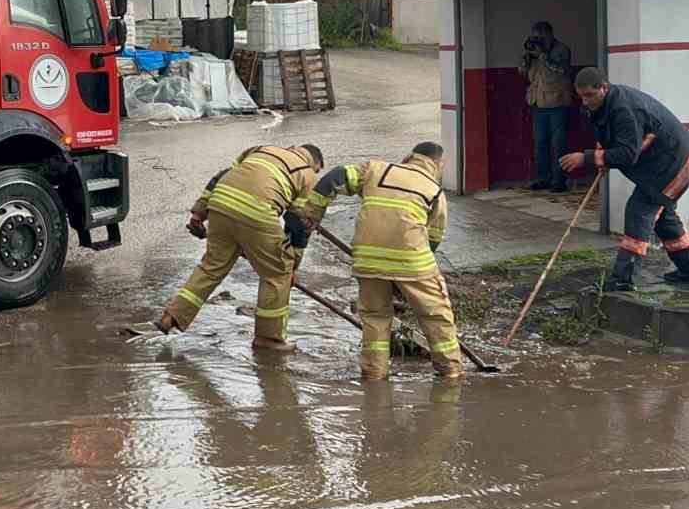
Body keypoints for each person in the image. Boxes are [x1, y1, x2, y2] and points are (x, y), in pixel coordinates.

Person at [302, 143, 461, 380]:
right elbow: (433, 241)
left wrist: (312, 212)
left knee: (375, 317)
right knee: (435, 315)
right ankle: (451, 372)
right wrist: (405, 277)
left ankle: (374, 374)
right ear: (438, 164)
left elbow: (334, 178)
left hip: (368, 260)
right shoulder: (435, 190)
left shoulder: (376, 169)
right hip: (412, 262)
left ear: (410, 157)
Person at [157, 144, 325, 352]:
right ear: (315, 163)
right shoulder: (308, 175)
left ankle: (171, 317)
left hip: (220, 203)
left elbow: (221, 176)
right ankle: (269, 339)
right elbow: (297, 221)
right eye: (317, 170)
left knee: (211, 267)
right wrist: (293, 265)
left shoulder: (261, 149)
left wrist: (199, 212)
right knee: (277, 274)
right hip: (258, 211)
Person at [560, 68, 689, 292]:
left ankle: (623, 278)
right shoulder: (606, 105)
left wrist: (588, 158)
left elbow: (628, 154)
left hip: (675, 161)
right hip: (669, 159)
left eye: (590, 95)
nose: (586, 101)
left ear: (604, 88)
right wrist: (603, 157)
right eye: (581, 96)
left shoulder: (624, 109)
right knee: (664, 217)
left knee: (639, 211)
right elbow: (613, 137)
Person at [520, 21, 574, 192]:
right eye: (534, 37)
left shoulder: (561, 50)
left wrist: (544, 55)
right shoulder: (533, 52)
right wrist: (527, 58)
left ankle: (560, 181)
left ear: (549, 34)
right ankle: (543, 178)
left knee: (558, 144)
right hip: (538, 102)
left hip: (558, 103)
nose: (537, 40)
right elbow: (522, 73)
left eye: (540, 37)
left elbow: (562, 70)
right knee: (540, 144)